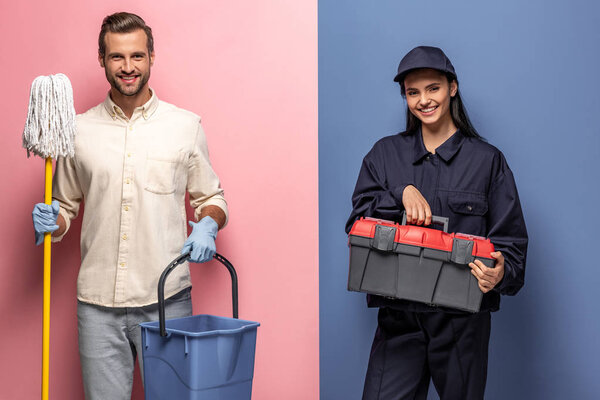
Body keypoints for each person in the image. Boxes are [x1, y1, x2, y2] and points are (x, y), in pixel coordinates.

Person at [30, 12, 228, 400]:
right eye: (117, 57)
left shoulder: (184, 126)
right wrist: (53, 220)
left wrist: (208, 224)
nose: (128, 67)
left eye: (137, 56)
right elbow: (66, 206)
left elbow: (211, 198)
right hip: (97, 306)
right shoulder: (78, 131)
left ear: (152, 57)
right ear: (101, 59)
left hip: (167, 302)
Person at [346, 46, 528, 400]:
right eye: (413, 92)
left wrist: (501, 273)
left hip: (463, 323)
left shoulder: (488, 161)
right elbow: (356, 224)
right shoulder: (384, 155)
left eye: (433, 88)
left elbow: (512, 247)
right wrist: (399, 193)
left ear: (452, 88)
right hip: (398, 320)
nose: (424, 100)